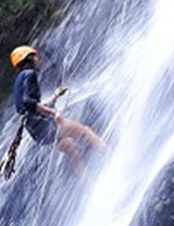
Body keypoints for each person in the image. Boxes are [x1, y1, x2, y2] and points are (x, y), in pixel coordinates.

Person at [11, 45, 106, 176]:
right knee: (85, 132)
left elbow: (28, 107)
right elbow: (28, 102)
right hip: (42, 124)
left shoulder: (19, 79)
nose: (39, 60)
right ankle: (113, 159)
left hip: (34, 130)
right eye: (36, 57)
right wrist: (53, 112)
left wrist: (56, 95)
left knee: (71, 149)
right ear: (29, 59)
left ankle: (85, 178)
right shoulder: (30, 74)